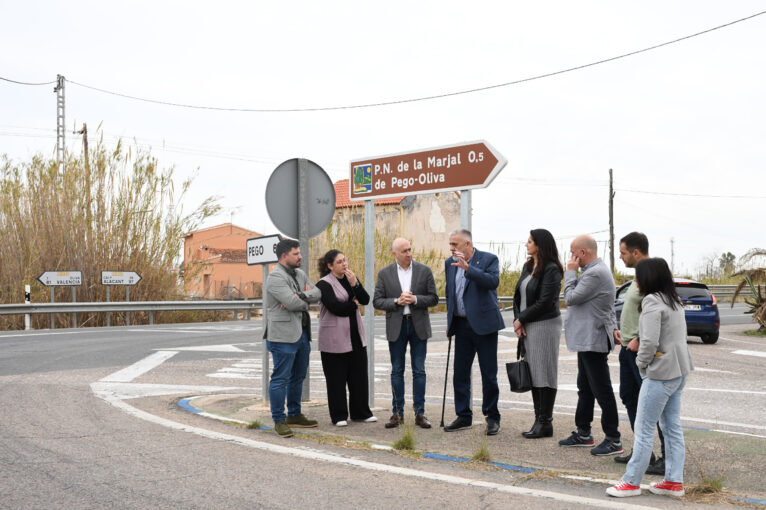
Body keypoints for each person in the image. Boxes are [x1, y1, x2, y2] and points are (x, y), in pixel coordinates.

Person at [607, 257, 694, 498]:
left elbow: (648, 342)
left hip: (660, 374)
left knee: (643, 428)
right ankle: (673, 481)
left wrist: (641, 364)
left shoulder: (652, 302)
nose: (635, 281)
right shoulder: (672, 300)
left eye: (637, 276)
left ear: (648, 278)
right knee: (671, 427)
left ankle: (632, 482)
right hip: (679, 370)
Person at [559, 234, 624, 455]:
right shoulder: (593, 271)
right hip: (588, 339)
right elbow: (607, 306)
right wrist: (614, 326)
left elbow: (570, 298)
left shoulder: (595, 273)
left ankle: (613, 438)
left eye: (572, 252)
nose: (571, 257)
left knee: (601, 389)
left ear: (582, 253)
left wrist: (569, 272)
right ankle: (583, 432)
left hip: (593, 339)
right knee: (585, 388)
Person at [443, 229, 505, 435]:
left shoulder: (488, 259)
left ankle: (492, 416)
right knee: (460, 374)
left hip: (484, 325)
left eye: (455, 244)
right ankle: (463, 415)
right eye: (450, 244)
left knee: (489, 374)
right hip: (461, 325)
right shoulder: (448, 264)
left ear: (467, 244)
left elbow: (492, 282)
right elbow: (450, 293)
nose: (451, 248)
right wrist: (449, 320)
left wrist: (469, 269)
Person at [373, 238, 439, 429]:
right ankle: (397, 413)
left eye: (410, 249)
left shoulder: (424, 270)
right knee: (397, 370)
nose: (409, 253)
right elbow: (377, 301)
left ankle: (420, 413)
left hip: (418, 326)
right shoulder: (385, 273)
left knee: (419, 370)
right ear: (395, 254)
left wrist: (416, 299)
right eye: (404, 251)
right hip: (397, 326)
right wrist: (396, 302)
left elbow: (434, 298)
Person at [616, 232, 665, 474]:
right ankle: (643, 451)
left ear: (636, 252)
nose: (620, 257)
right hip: (627, 348)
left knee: (655, 406)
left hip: (640, 350)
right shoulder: (638, 275)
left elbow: (656, 311)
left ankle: (666, 458)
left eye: (623, 252)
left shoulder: (652, 274)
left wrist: (637, 338)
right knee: (629, 397)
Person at [263, 238, 322, 438]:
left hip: (302, 334)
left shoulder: (300, 274)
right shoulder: (275, 278)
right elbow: (291, 302)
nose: (300, 257)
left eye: (299, 253)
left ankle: (294, 415)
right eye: (296, 254)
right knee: (280, 378)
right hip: (282, 337)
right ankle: (279, 420)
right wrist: (300, 299)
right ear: (284, 256)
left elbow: (317, 293)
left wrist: (300, 297)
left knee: (298, 377)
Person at [315, 249, 376, 427]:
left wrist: (356, 284)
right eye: (340, 261)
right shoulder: (323, 284)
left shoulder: (350, 280)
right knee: (336, 378)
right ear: (330, 266)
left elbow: (365, 299)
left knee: (358, 376)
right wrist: (353, 304)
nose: (344, 264)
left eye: (345, 260)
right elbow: (335, 307)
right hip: (333, 338)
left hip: (355, 335)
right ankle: (339, 415)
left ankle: (361, 413)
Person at [512, 229, 564, 439]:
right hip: (528, 324)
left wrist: (521, 319)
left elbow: (545, 302)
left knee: (545, 372)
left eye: (530, 241)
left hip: (544, 324)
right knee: (534, 372)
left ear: (540, 244)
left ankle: (545, 422)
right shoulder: (528, 266)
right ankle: (538, 420)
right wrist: (519, 320)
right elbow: (517, 297)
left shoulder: (551, 269)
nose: (526, 244)